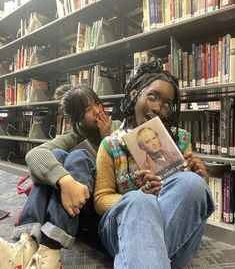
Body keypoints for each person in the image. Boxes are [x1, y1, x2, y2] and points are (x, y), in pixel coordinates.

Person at [94, 60, 215, 269]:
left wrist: (199, 175)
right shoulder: (111, 145)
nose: (159, 108)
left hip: (171, 227)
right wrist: (141, 195)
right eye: (152, 96)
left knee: (192, 184)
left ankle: (142, 257)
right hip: (123, 227)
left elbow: (186, 201)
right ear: (134, 94)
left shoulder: (181, 140)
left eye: (167, 104)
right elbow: (101, 199)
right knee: (140, 202)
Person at [0, 84, 121, 269]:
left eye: (97, 103)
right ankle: (27, 244)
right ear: (77, 118)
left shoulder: (117, 127)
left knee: (78, 156)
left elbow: (124, 173)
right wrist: (65, 181)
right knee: (56, 155)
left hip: (97, 207)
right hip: (73, 209)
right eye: (88, 109)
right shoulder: (74, 136)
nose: (97, 111)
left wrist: (108, 139)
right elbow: (34, 155)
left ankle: (51, 247)